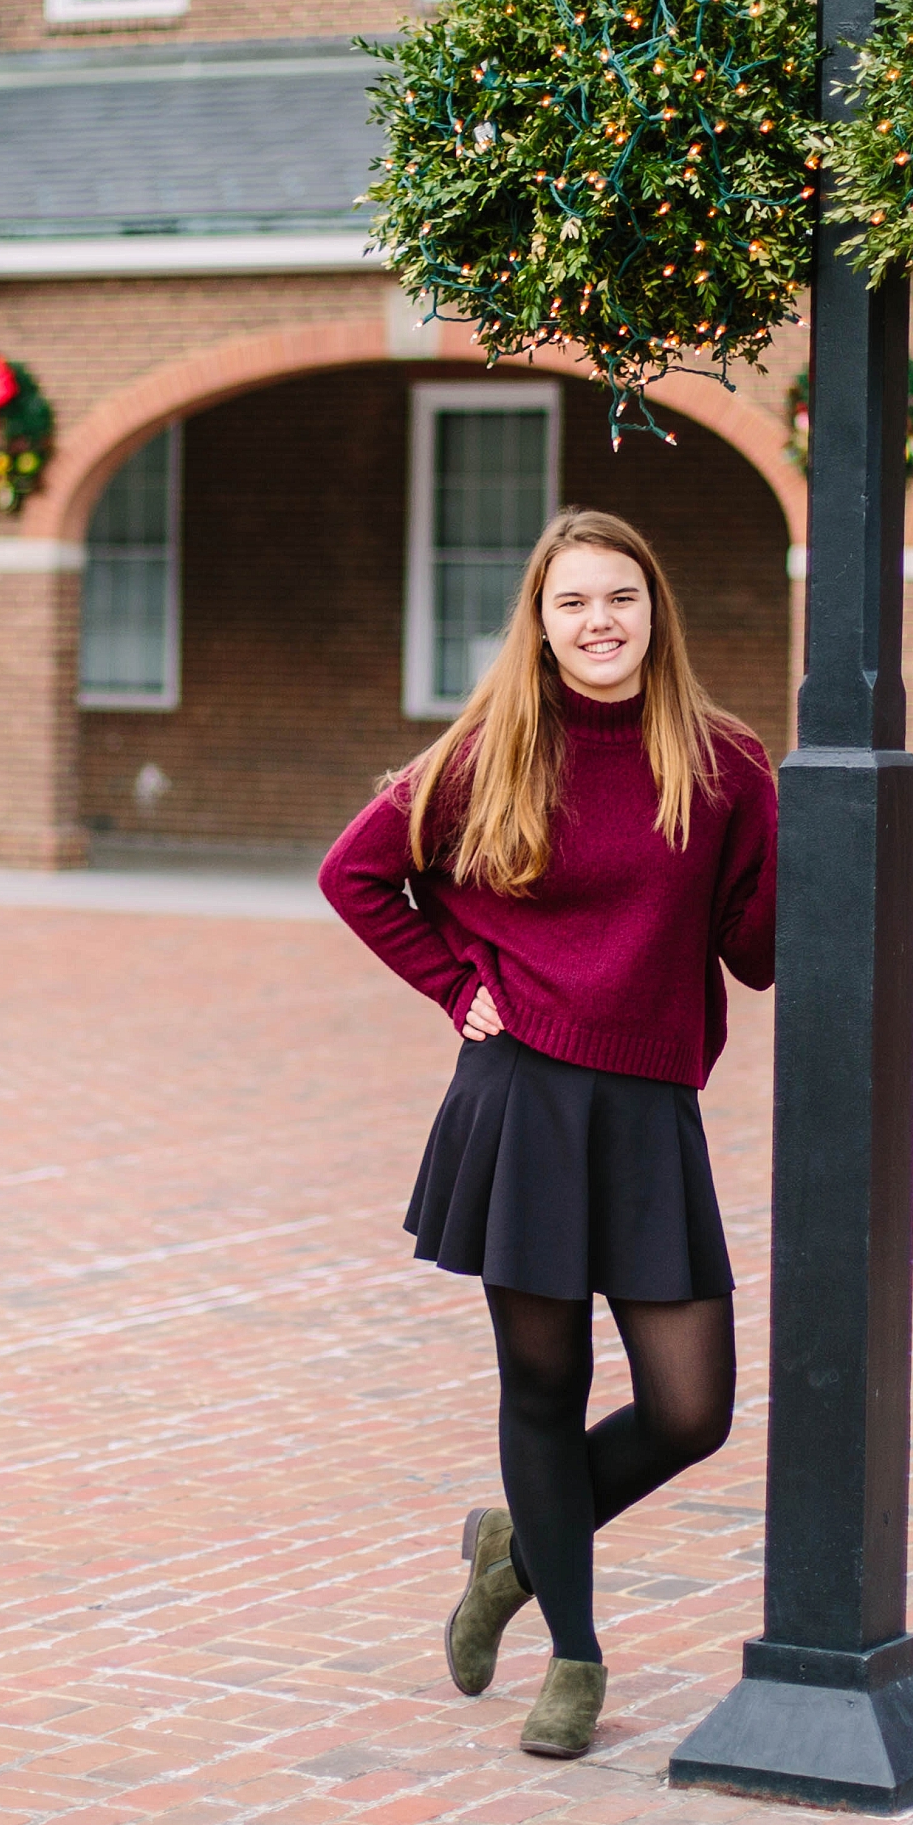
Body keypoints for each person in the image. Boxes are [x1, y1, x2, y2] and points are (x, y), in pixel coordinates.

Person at [318, 505, 778, 1761]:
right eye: (572, 601)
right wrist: (454, 984)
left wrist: (820, 854)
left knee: (692, 1409)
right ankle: (572, 1652)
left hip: (648, 1110)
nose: (598, 622)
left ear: (652, 611)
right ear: (540, 619)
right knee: (546, 1383)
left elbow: (756, 954)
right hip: (518, 1097)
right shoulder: (488, 751)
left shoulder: (726, 764)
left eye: (618, 597)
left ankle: (518, 1541)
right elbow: (354, 874)